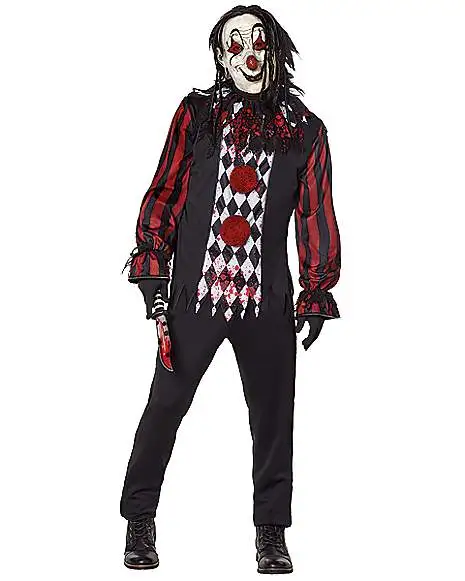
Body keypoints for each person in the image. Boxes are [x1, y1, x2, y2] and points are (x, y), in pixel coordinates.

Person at [120, 4, 341, 574]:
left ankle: (272, 532)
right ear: (220, 57)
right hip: (194, 298)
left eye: (258, 41)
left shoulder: (305, 131)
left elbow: (315, 213)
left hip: (268, 303)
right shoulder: (197, 116)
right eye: (234, 43)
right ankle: (139, 518)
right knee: (165, 406)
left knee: (274, 418)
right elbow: (166, 192)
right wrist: (153, 276)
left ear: (275, 50)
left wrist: (315, 289)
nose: (248, 53)